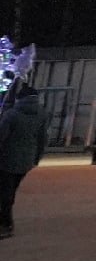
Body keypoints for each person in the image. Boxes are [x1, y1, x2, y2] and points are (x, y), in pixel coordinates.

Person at [0, 71, 44, 241]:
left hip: (6, 160)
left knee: (5, 193)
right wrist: (36, 158)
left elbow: (2, 137)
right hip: (26, 160)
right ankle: (5, 222)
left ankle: (5, 224)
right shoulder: (41, 115)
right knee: (9, 191)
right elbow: (42, 139)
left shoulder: (11, 115)